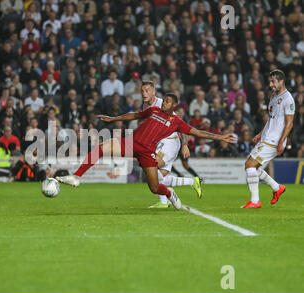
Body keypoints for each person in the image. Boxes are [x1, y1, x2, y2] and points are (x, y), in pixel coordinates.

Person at [56, 81, 236, 209]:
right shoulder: (154, 110)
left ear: (174, 105)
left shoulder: (177, 122)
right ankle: (77, 176)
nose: (163, 103)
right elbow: (134, 115)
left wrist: (221, 138)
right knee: (103, 147)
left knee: (155, 187)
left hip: (147, 152)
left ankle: (169, 194)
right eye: (163, 100)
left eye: (167, 101)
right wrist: (113, 119)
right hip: (132, 143)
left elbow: (198, 132)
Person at [242, 69, 295, 208]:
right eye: (270, 81)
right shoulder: (273, 96)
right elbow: (271, 120)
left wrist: (281, 141)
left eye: (273, 81)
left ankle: (255, 201)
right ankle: (277, 188)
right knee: (254, 168)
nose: (270, 84)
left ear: (281, 81)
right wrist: (260, 134)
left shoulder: (288, 99)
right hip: (266, 138)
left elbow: (289, 123)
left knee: (249, 165)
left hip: (274, 140)